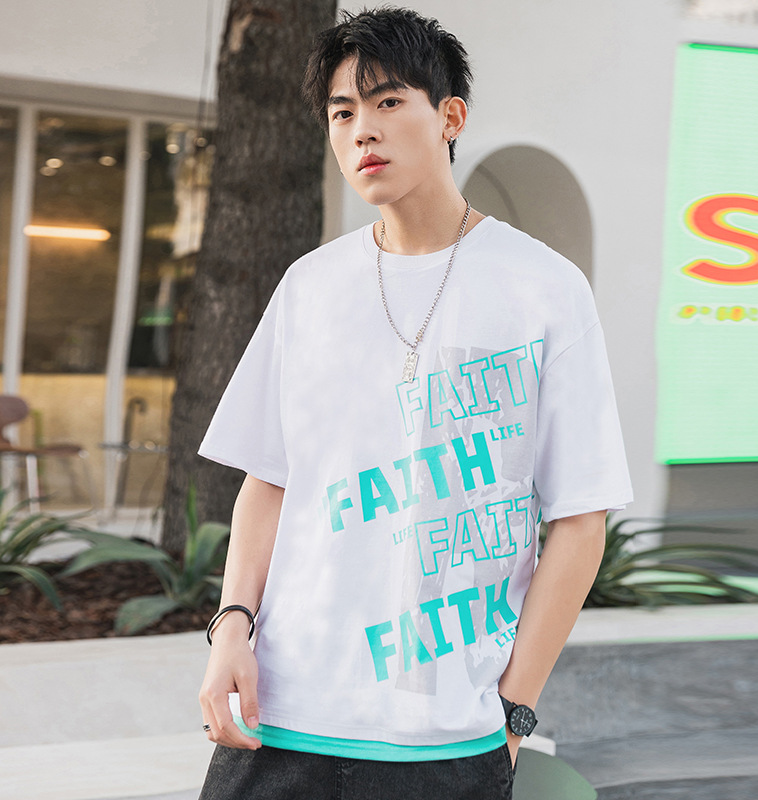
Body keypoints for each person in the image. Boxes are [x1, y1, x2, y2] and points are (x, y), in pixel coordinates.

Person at [197, 7, 632, 799]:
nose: (362, 129)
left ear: (450, 118)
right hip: (279, 722)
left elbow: (580, 519)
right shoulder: (309, 287)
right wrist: (231, 627)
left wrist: (513, 713)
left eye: (389, 101)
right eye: (342, 112)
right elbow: (269, 479)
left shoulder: (544, 289)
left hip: (445, 741)